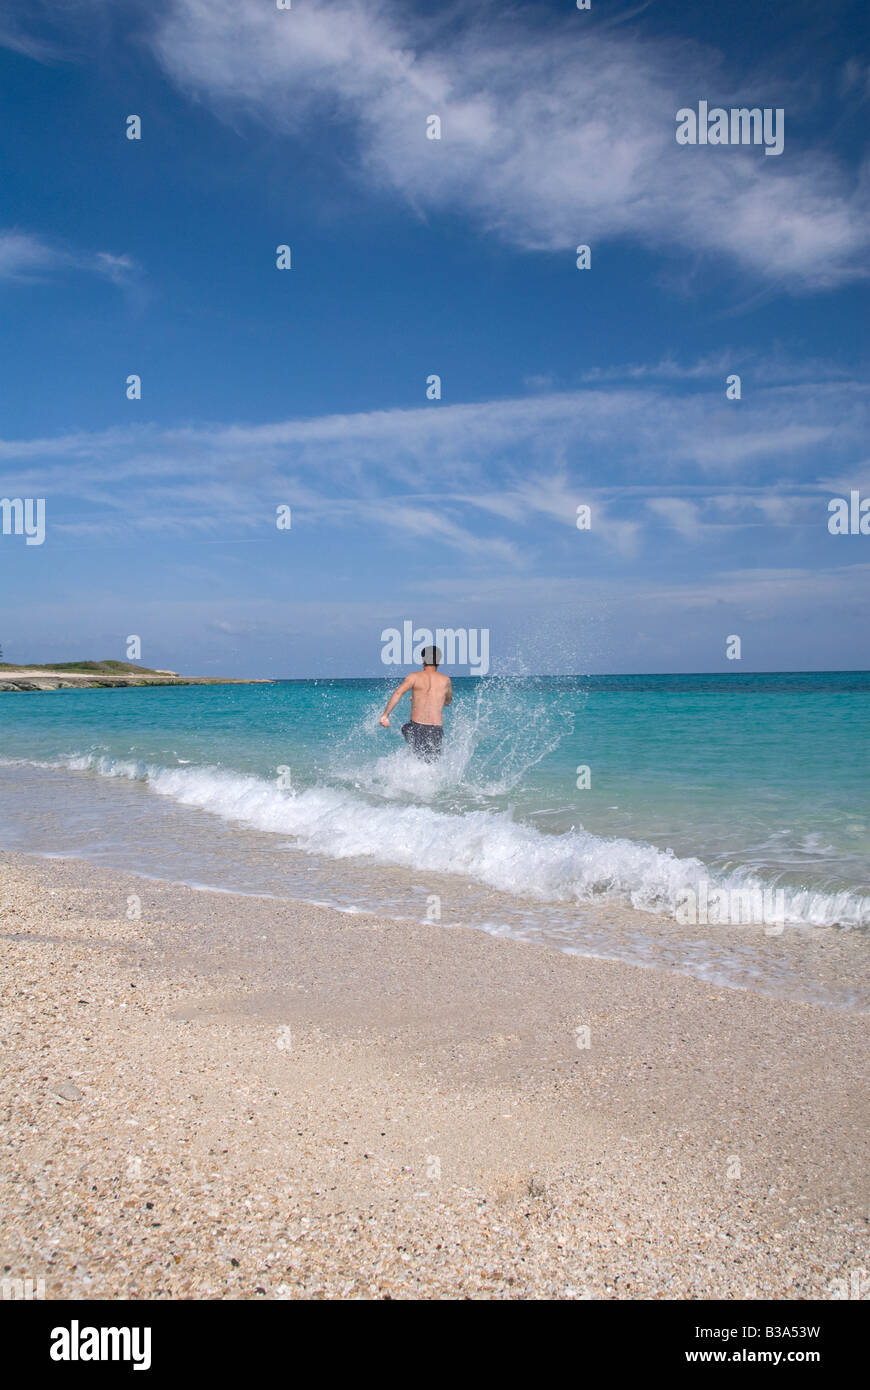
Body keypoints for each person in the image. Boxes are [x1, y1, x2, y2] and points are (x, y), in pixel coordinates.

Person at [380, 646, 452, 761]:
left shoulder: (414, 677)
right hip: (436, 730)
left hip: (417, 727)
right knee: (432, 764)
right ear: (438, 661)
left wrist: (385, 715)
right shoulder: (446, 680)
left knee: (406, 731)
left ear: (422, 660)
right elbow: (447, 702)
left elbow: (398, 693)